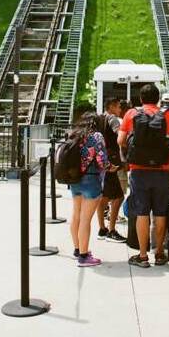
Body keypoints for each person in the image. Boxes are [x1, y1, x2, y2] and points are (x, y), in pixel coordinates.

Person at [118, 84, 169, 268]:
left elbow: (120, 140)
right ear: (158, 99)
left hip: (138, 170)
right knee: (161, 213)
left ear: (141, 99)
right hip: (163, 170)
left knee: (142, 212)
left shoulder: (131, 114)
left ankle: (143, 256)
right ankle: (159, 253)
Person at [68, 112, 109, 267]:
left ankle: (78, 249)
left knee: (76, 215)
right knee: (86, 219)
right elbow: (102, 161)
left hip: (75, 179)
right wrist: (111, 167)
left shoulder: (74, 134)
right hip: (91, 179)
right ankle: (84, 257)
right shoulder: (96, 136)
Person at [96, 98, 126, 243]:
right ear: (112, 106)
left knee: (103, 197)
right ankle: (111, 230)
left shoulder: (98, 118)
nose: (120, 109)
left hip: (100, 162)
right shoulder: (113, 119)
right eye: (119, 106)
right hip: (111, 163)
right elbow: (120, 136)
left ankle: (102, 228)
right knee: (119, 197)